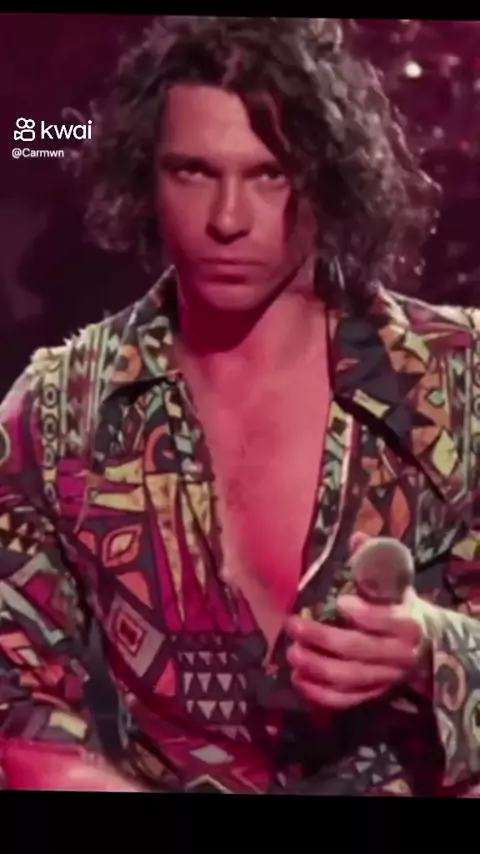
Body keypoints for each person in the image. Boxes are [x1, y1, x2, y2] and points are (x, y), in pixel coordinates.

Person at [0, 15, 479, 796]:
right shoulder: (60, 409)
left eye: (270, 174)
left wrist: (439, 648)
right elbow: (15, 703)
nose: (228, 220)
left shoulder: (460, 379)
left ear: (329, 178)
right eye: (193, 171)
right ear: (146, 178)